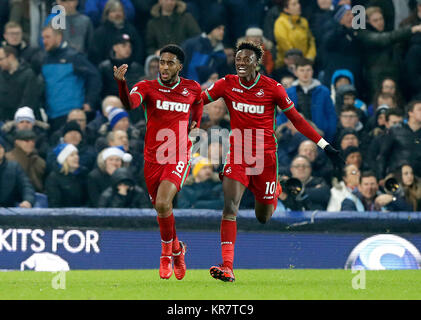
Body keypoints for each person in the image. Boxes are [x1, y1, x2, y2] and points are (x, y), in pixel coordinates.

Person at [201, 41, 343, 282]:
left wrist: (324, 145)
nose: (241, 63)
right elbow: (198, 100)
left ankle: (274, 189)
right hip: (238, 154)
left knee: (263, 216)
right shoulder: (227, 83)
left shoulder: (273, 88)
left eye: (247, 59)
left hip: (266, 159)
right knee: (230, 207)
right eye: (238, 59)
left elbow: (297, 120)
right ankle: (227, 266)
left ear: (257, 63)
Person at [114, 44, 204, 280]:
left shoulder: (191, 88)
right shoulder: (147, 87)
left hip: (179, 154)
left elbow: (199, 102)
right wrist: (121, 83)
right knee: (162, 209)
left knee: (164, 203)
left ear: (179, 66)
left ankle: (165, 254)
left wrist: (197, 122)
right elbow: (129, 104)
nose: (164, 66)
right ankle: (178, 248)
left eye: (169, 62)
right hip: (152, 157)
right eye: (162, 62)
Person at [41, 25, 102, 132]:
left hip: (71, 114)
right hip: (51, 116)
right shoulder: (44, 60)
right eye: (43, 38)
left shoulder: (74, 57)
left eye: (47, 37)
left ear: (59, 37)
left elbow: (94, 76)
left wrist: (90, 101)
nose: (44, 41)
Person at [277, 57, 338, 142]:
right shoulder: (288, 93)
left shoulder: (323, 91)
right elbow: (282, 116)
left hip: (320, 137)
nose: (305, 73)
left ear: (312, 71)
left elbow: (331, 115)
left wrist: (329, 135)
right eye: (302, 70)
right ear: (296, 72)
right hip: (293, 137)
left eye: (308, 70)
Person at [88, 0, 144, 66]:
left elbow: (139, 51)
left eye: (120, 11)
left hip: (130, 69)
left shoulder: (131, 30)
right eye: (113, 11)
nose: (117, 14)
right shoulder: (100, 33)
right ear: (107, 14)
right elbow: (95, 56)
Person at [377, 100, 421, 180]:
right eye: (420, 109)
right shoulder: (395, 130)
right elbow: (384, 155)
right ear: (410, 113)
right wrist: (381, 177)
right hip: (397, 176)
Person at [0, 45, 42, 121]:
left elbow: (28, 100)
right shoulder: (1, 75)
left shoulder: (28, 74)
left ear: (11, 57)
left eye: (1, 59)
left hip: (24, 120)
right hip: (4, 120)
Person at [181, 16, 227, 82]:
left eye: (223, 29)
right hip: (188, 88)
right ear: (210, 29)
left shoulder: (221, 53)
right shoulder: (191, 45)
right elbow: (181, 68)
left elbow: (223, 76)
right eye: (218, 28)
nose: (222, 32)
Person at [273, 0, 316, 69]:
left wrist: (309, 57)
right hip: (286, 65)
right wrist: (298, 59)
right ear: (286, 9)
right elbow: (285, 44)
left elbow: (311, 41)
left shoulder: (304, 21)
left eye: (298, 3)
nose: (298, 6)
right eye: (294, 4)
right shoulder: (280, 22)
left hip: (306, 63)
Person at [340, 170, 412, 211]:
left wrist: (392, 199)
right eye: (366, 184)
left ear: (377, 186)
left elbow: (409, 211)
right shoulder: (349, 201)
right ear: (359, 187)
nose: (369, 188)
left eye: (372, 184)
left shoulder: (385, 198)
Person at [45, 143, 88, 207]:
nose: (76, 157)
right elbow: (54, 204)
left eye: (76, 154)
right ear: (63, 159)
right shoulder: (54, 178)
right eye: (72, 155)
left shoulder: (83, 173)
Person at [0, 136, 35, 208]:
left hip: (7, 212)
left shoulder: (14, 167)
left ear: (4, 150)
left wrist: (27, 201)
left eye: (0, 147)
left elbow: (26, 186)